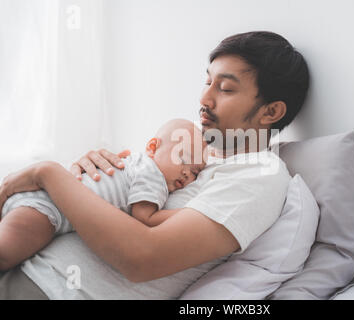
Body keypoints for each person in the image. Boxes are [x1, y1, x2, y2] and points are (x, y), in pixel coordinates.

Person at [0, 31, 309, 299]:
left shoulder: (258, 174)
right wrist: (86, 176)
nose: (205, 98)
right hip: (23, 260)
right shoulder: (185, 146)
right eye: (207, 81)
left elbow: (142, 258)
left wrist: (49, 174)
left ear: (270, 112)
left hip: (43, 290)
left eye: (225, 89)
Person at [0, 119, 207, 272]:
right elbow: (145, 217)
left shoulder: (133, 163)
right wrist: (192, 213)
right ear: (153, 148)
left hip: (39, 197)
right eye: (183, 159)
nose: (187, 173)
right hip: (48, 208)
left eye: (196, 172)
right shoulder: (154, 176)